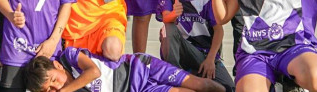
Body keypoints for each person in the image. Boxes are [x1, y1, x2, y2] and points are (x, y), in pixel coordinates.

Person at [157, 0, 233, 92]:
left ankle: (196, 74)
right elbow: (166, 18)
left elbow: (218, 30)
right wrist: (174, 13)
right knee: (168, 28)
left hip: (203, 55)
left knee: (228, 88)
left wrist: (211, 59)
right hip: (181, 51)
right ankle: (173, 76)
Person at [22, 47, 225, 92]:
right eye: (49, 90)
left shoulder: (69, 57)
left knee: (200, 84)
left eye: (53, 81)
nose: (55, 88)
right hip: (135, 90)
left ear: (57, 66)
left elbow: (94, 72)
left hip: (140, 67)